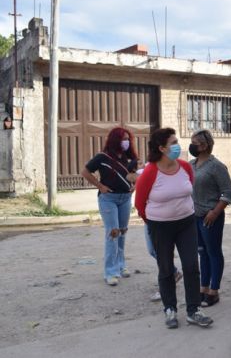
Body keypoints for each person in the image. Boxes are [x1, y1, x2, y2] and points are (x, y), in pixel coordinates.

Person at [134, 127, 212, 329]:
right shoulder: (150, 172)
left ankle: (193, 310)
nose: (178, 146)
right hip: (160, 227)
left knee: (191, 266)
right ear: (161, 148)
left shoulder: (185, 167)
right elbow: (140, 204)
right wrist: (152, 223)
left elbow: (188, 191)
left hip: (186, 223)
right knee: (166, 269)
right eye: (173, 143)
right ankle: (170, 309)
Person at [81, 127, 138, 286]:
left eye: (127, 138)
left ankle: (121, 265)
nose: (126, 142)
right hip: (109, 199)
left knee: (122, 232)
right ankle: (110, 272)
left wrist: (135, 185)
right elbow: (85, 172)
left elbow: (135, 175)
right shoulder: (102, 157)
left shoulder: (130, 157)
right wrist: (99, 186)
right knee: (113, 232)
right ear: (115, 140)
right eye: (123, 138)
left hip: (125, 198)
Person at [189, 129, 231, 307]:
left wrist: (215, 211)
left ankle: (214, 291)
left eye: (195, 143)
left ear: (205, 145)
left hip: (211, 217)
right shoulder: (192, 164)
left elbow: (228, 192)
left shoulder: (216, 166)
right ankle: (203, 288)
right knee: (202, 252)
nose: (192, 146)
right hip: (195, 217)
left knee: (213, 252)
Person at [134, 163, 183, 302]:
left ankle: (167, 288)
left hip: (160, 220)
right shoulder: (148, 170)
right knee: (153, 250)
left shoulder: (165, 172)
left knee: (161, 253)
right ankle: (173, 273)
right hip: (149, 218)